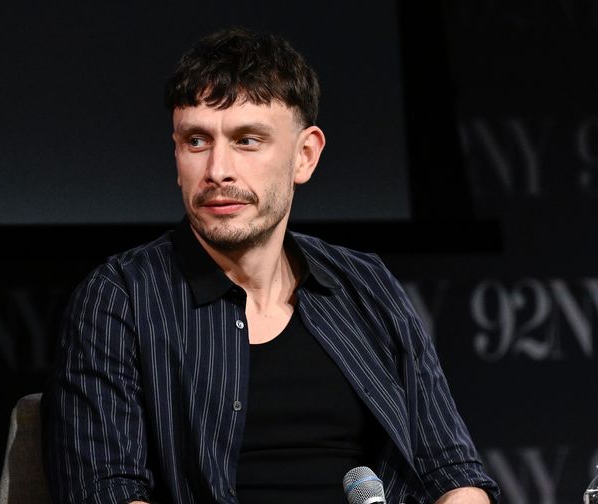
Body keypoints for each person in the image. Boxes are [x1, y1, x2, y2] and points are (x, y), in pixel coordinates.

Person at [41, 28, 500, 504]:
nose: (217, 169)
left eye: (247, 140)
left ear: (305, 156)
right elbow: (105, 492)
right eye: (196, 140)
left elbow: (452, 471)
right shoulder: (121, 297)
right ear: (176, 156)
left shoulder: (364, 283)